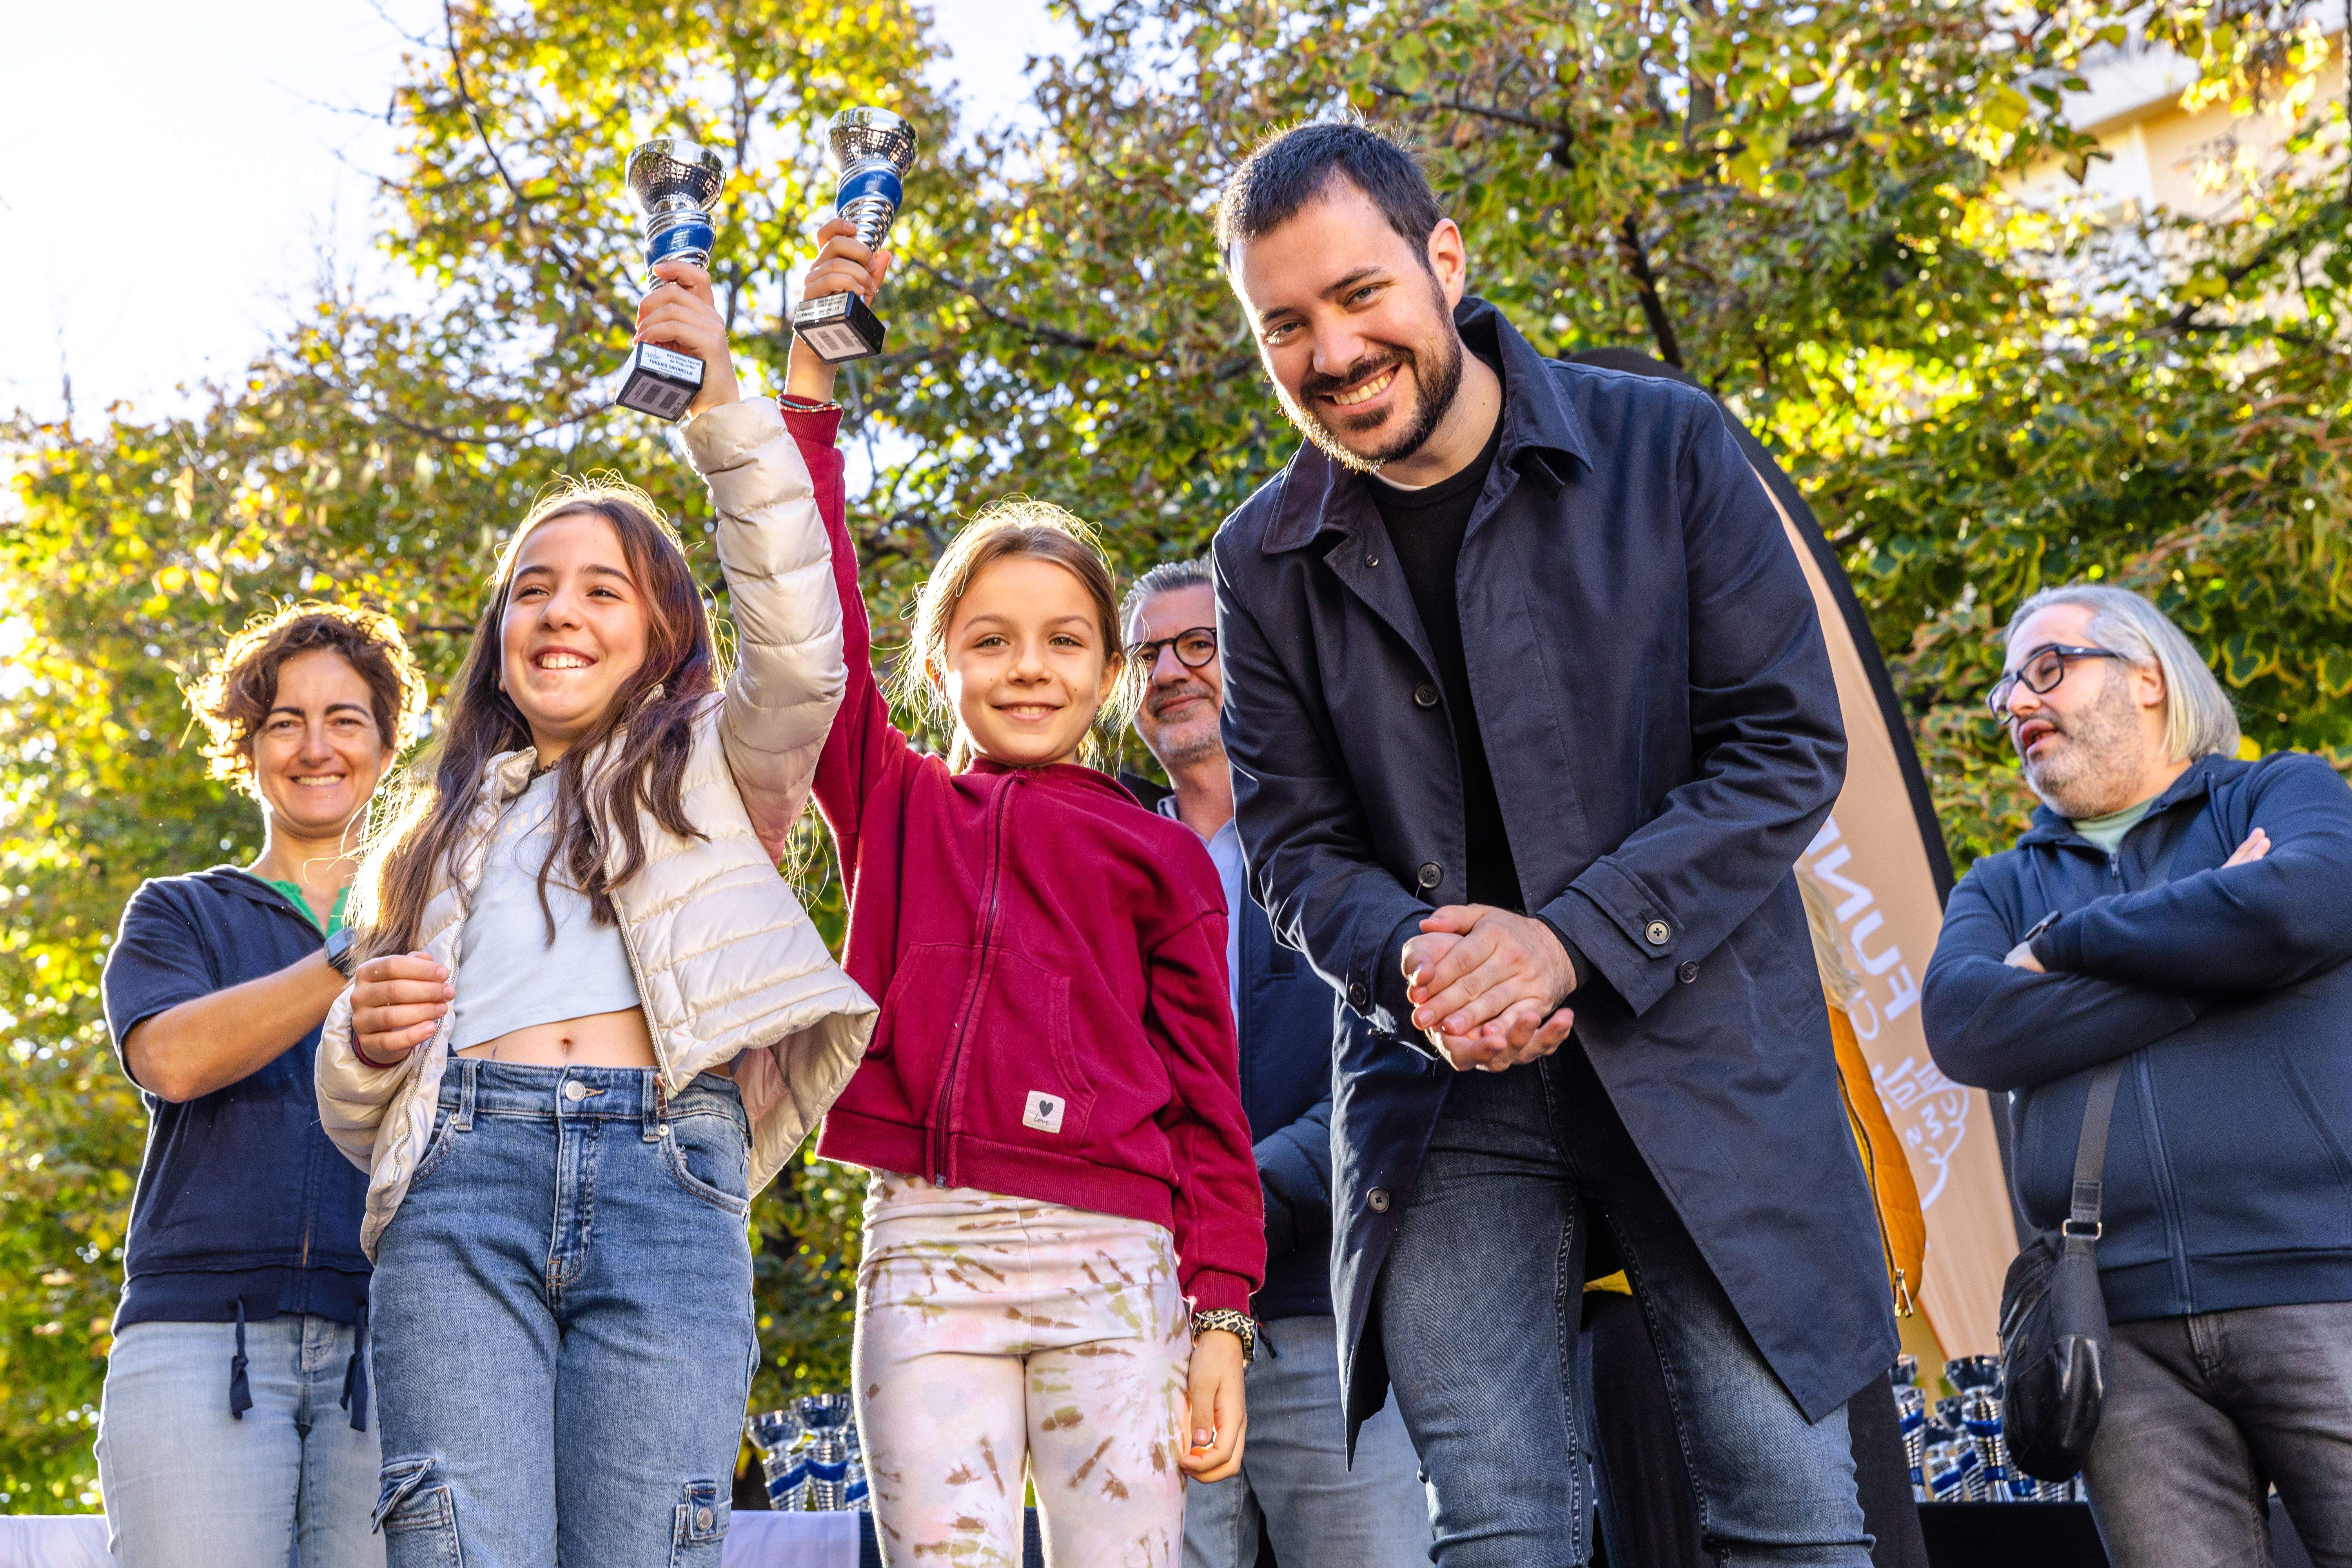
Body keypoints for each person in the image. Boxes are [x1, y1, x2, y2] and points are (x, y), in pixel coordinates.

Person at [1208, 120, 1896, 1567]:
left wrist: (1569, 939)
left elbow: (1786, 748)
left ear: (1443, 261)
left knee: (1790, 1514)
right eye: (1285, 324)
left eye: (1358, 296)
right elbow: (1289, 843)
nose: (1331, 352)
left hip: (1701, 1052)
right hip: (1437, 1095)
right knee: (1498, 1531)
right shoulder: (1256, 558)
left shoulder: (1672, 446)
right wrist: (1412, 966)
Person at [311, 258, 877, 1568]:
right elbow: (356, 1115)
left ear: (666, 630)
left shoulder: (722, 771)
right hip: (462, 1185)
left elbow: (798, 640)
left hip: (667, 1177)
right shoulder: (435, 832)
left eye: (601, 588)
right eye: (532, 588)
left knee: (649, 1542)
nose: (559, 609)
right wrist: (365, 1039)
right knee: (451, 1534)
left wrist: (724, 407)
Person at [780, 217, 1264, 1568]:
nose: (1030, 667)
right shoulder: (895, 802)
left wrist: (1220, 1317)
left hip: (1120, 1263)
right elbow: (809, 622)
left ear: (1112, 670)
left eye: (1064, 641)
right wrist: (811, 389)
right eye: (990, 640)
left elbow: (1214, 1112)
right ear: (941, 664)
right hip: (928, 1253)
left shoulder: (1159, 856)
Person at [1923, 583, 2352, 1568]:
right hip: (2116, 1326)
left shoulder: (2283, 791)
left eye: (2046, 668)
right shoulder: (1999, 882)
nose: (2019, 703)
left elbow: (2299, 909)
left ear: (2148, 676)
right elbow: (1967, 1026)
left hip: (2322, 1280)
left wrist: (2061, 946)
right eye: (2007, 693)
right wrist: (2214, 962)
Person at [96, 601, 425, 1568]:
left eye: (346, 719)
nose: (315, 746)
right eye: (285, 720)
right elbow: (175, 1058)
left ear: (385, 745)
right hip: (199, 1339)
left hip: (395, 1347)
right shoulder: (177, 913)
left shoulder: (448, 919)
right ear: (247, 748)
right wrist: (354, 950)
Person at [1120, 559, 1434, 1568]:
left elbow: (1401, 1051)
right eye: (1145, 654)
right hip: (1140, 1333)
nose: (1171, 670)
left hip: (1320, 1317)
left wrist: (1230, 1201)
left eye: (1198, 644)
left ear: (1254, 659)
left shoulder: (1347, 844)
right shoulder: (1101, 858)